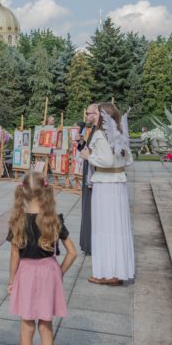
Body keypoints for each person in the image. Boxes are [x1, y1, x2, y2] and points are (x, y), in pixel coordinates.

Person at [7, 171, 77, 345]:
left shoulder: (18, 221)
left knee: (27, 326)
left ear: (23, 193)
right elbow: (72, 253)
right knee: (46, 327)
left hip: (26, 273)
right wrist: (60, 272)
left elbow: (14, 256)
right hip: (49, 272)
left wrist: (11, 281)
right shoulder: (54, 219)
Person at [81, 102, 135, 286]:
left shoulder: (99, 134)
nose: (93, 116)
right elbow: (129, 159)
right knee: (117, 226)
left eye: (96, 113)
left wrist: (88, 156)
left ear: (103, 116)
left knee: (103, 226)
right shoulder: (119, 133)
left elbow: (106, 159)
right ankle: (119, 271)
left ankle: (106, 272)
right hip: (118, 182)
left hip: (105, 183)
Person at [78, 104, 98, 256]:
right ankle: (86, 243)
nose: (86, 116)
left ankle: (91, 244)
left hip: (93, 175)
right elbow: (88, 150)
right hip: (88, 172)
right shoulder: (93, 131)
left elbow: (97, 155)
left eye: (88, 113)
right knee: (86, 209)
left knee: (91, 211)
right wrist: (80, 143)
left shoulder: (99, 132)